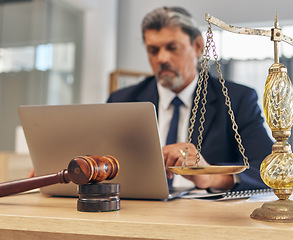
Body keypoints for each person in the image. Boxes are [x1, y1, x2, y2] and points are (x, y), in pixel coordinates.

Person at [107, 6, 273, 192]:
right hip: (138, 209)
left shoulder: (236, 99)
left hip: (205, 214)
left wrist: (212, 176)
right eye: (153, 50)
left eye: (172, 47)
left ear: (197, 47)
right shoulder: (122, 101)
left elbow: (269, 170)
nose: (162, 58)